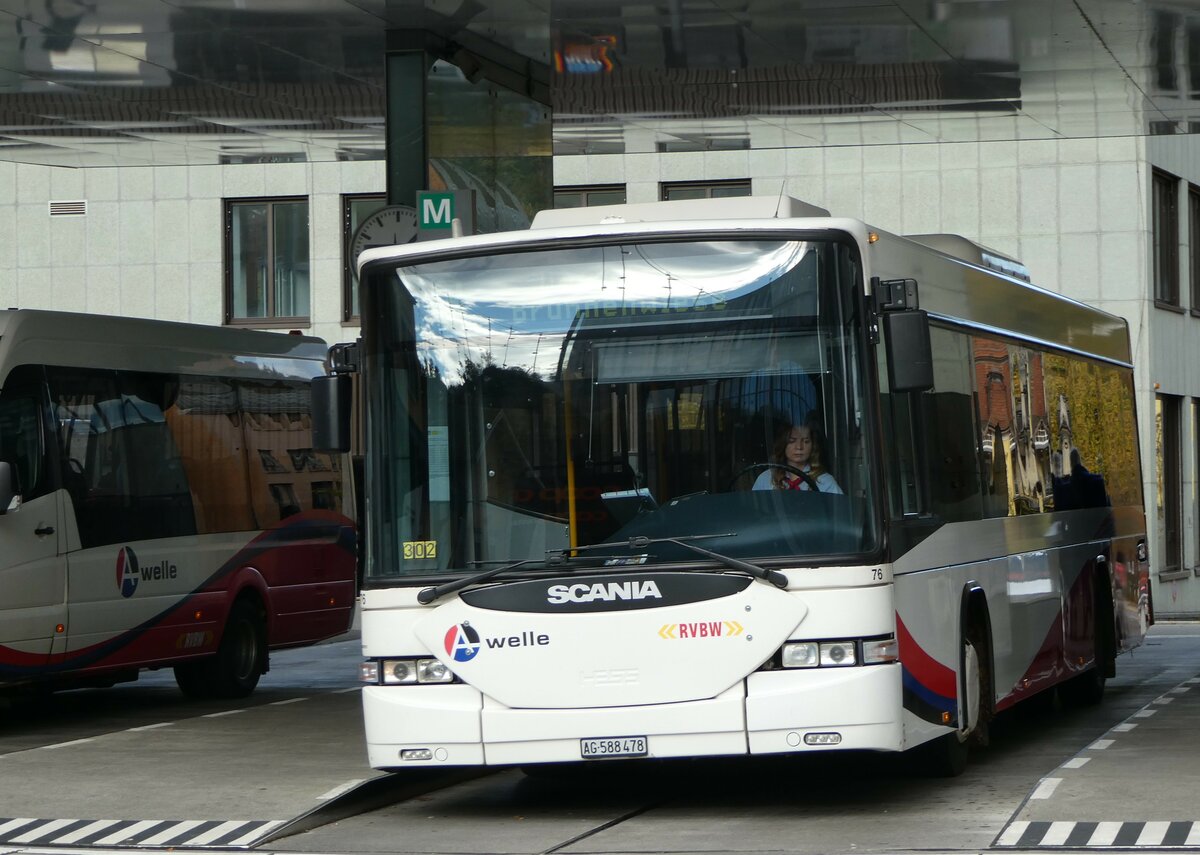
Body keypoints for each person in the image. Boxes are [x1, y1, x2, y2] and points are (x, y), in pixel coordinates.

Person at [752, 422, 842, 494]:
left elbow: (839, 512)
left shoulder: (825, 482)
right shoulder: (766, 479)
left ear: (813, 446)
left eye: (806, 441)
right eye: (792, 441)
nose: (799, 447)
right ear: (784, 444)